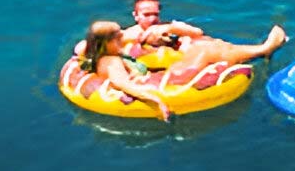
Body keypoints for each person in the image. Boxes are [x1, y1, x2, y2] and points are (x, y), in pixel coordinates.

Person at [63, 22, 229, 118]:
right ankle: (251, 51)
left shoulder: (110, 53)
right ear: (106, 43)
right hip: (153, 87)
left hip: (145, 74)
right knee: (206, 53)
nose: (123, 37)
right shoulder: (110, 62)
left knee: (202, 52)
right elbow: (124, 84)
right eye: (118, 37)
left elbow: (82, 48)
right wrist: (157, 101)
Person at [115, 0, 284, 75]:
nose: (152, 19)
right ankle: (264, 49)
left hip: (184, 53)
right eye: (147, 15)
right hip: (175, 65)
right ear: (135, 16)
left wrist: (172, 29)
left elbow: (197, 32)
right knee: (205, 48)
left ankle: (252, 51)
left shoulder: (165, 26)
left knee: (207, 41)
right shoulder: (128, 35)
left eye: (155, 14)